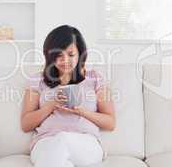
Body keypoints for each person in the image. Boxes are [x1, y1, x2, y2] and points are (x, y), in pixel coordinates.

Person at [21, 25, 116, 167]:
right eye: (59, 55)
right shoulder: (37, 80)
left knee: (62, 140)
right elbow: (26, 124)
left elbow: (110, 123)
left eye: (71, 55)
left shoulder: (95, 78)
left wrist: (82, 112)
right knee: (58, 149)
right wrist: (50, 106)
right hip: (46, 142)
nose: (65, 60)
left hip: (86, 143)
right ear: (50, 56)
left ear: (80, 54)